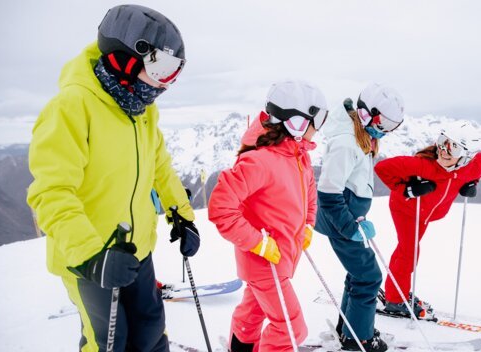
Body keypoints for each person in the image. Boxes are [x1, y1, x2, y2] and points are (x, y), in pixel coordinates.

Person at [27, 5, 199, 351]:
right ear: (126, 57)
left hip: (138, 251)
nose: (167, 84)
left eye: (174, 72)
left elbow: (159, 166)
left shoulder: (142, 110)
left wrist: (181, 214)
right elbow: (51, 191)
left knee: (151, 333)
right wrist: (91, 255)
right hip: (91, 260)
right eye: (162, 68)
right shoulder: (72, 107)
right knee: (109, 341)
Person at [208, 80, 328, 352]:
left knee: (252, 315)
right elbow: (221, 208)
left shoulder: (298, 157)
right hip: (264, 262)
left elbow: (309, 191)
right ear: (296, 123)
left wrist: (308, 225)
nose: (318, 128)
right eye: (315, 120)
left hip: (280, 258)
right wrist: (257, 243)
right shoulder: (261, 161)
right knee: (291, 329)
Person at [314, 83, 405, 352]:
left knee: (359, 273)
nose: (386, 130)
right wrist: (349, 226)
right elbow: (328, 193)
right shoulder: (346, 142)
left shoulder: (359, 136)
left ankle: (351, 328)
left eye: (393, 125)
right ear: (367, 114)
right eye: (385, 123)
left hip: (348, 219)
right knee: (368, 276)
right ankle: (359, 339)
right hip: (340, 220)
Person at [374, 125, 481, 319]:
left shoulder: (470, 168)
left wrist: (472, 183)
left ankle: (396, 289)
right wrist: (408, 189)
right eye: (442, 142)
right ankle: (395, 300)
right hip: (406, 208)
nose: (444, 151)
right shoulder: (423, 166)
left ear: (466, 156)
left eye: (453, 148)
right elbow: (382, 168)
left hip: (426, 214)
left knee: (406, 250)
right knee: (409, 252)